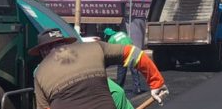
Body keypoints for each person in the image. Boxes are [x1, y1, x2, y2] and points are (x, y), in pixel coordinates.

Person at [30, 28, 168, 109]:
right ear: (66, 43)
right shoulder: (94, 48)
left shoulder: (40, 72)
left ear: (43, 52)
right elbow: (136, 54)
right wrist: (157, 83)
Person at [105, 27, 143, 95]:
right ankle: (138, 88)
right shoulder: (122, 33)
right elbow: (130, 41)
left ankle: (119, 89)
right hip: (133, 50)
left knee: (121, 72)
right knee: (134, 71)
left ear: (107, 35)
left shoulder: (111, 39)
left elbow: (110, 52)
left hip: (123, 53)